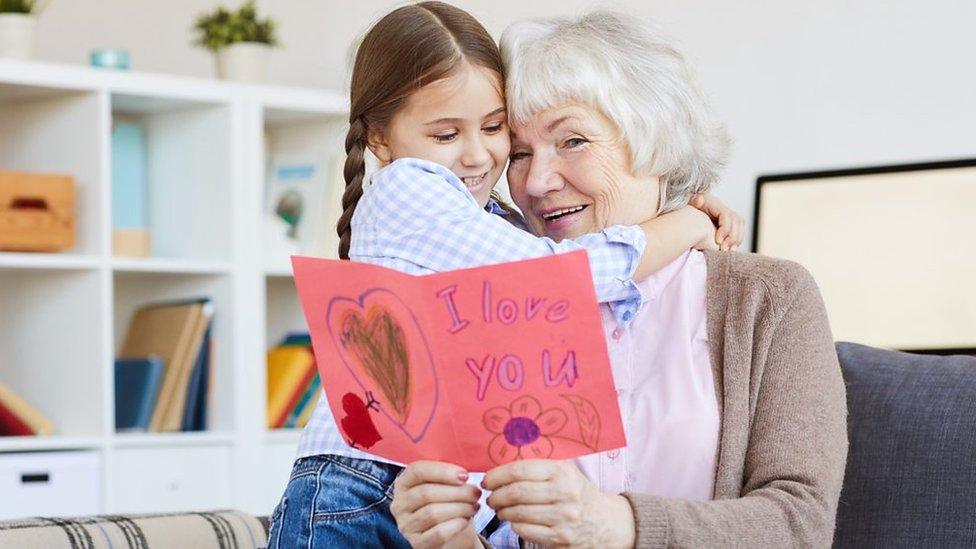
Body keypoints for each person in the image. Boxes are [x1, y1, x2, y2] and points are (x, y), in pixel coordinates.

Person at [266, 3, 744, 548]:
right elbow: (557, 277)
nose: (477, 155)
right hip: (361, 486)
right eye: (446, 135)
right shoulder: (408, 188)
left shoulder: (486, 220)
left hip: (435, 493)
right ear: (379, 138)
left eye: (494, 129)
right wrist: (682, 224)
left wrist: (683, 203)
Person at [391, 11, 848, 549]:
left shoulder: (767, 298)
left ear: (657, 139)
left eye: (573, 141)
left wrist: (613, 524)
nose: (536, 182)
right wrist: (453, 540)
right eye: (518, 153)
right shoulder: (497, 301)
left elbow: (800, 525)